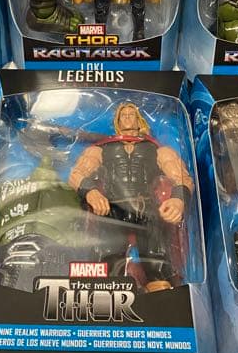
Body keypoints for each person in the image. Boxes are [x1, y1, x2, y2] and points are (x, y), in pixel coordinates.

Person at [68, 102, 193, 291]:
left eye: (131, 114)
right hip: (112, 209)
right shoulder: (101, 149)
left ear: (138, 119)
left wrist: (178, 199)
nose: (127, 117)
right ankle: (107, 298)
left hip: (147, 209)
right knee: (107, 261)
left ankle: (163, 302)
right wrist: (91, 192)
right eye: (123, 115)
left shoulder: (158, 149)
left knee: (157, 263)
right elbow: (76, 175)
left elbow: (182, 177)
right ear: (117, 121)